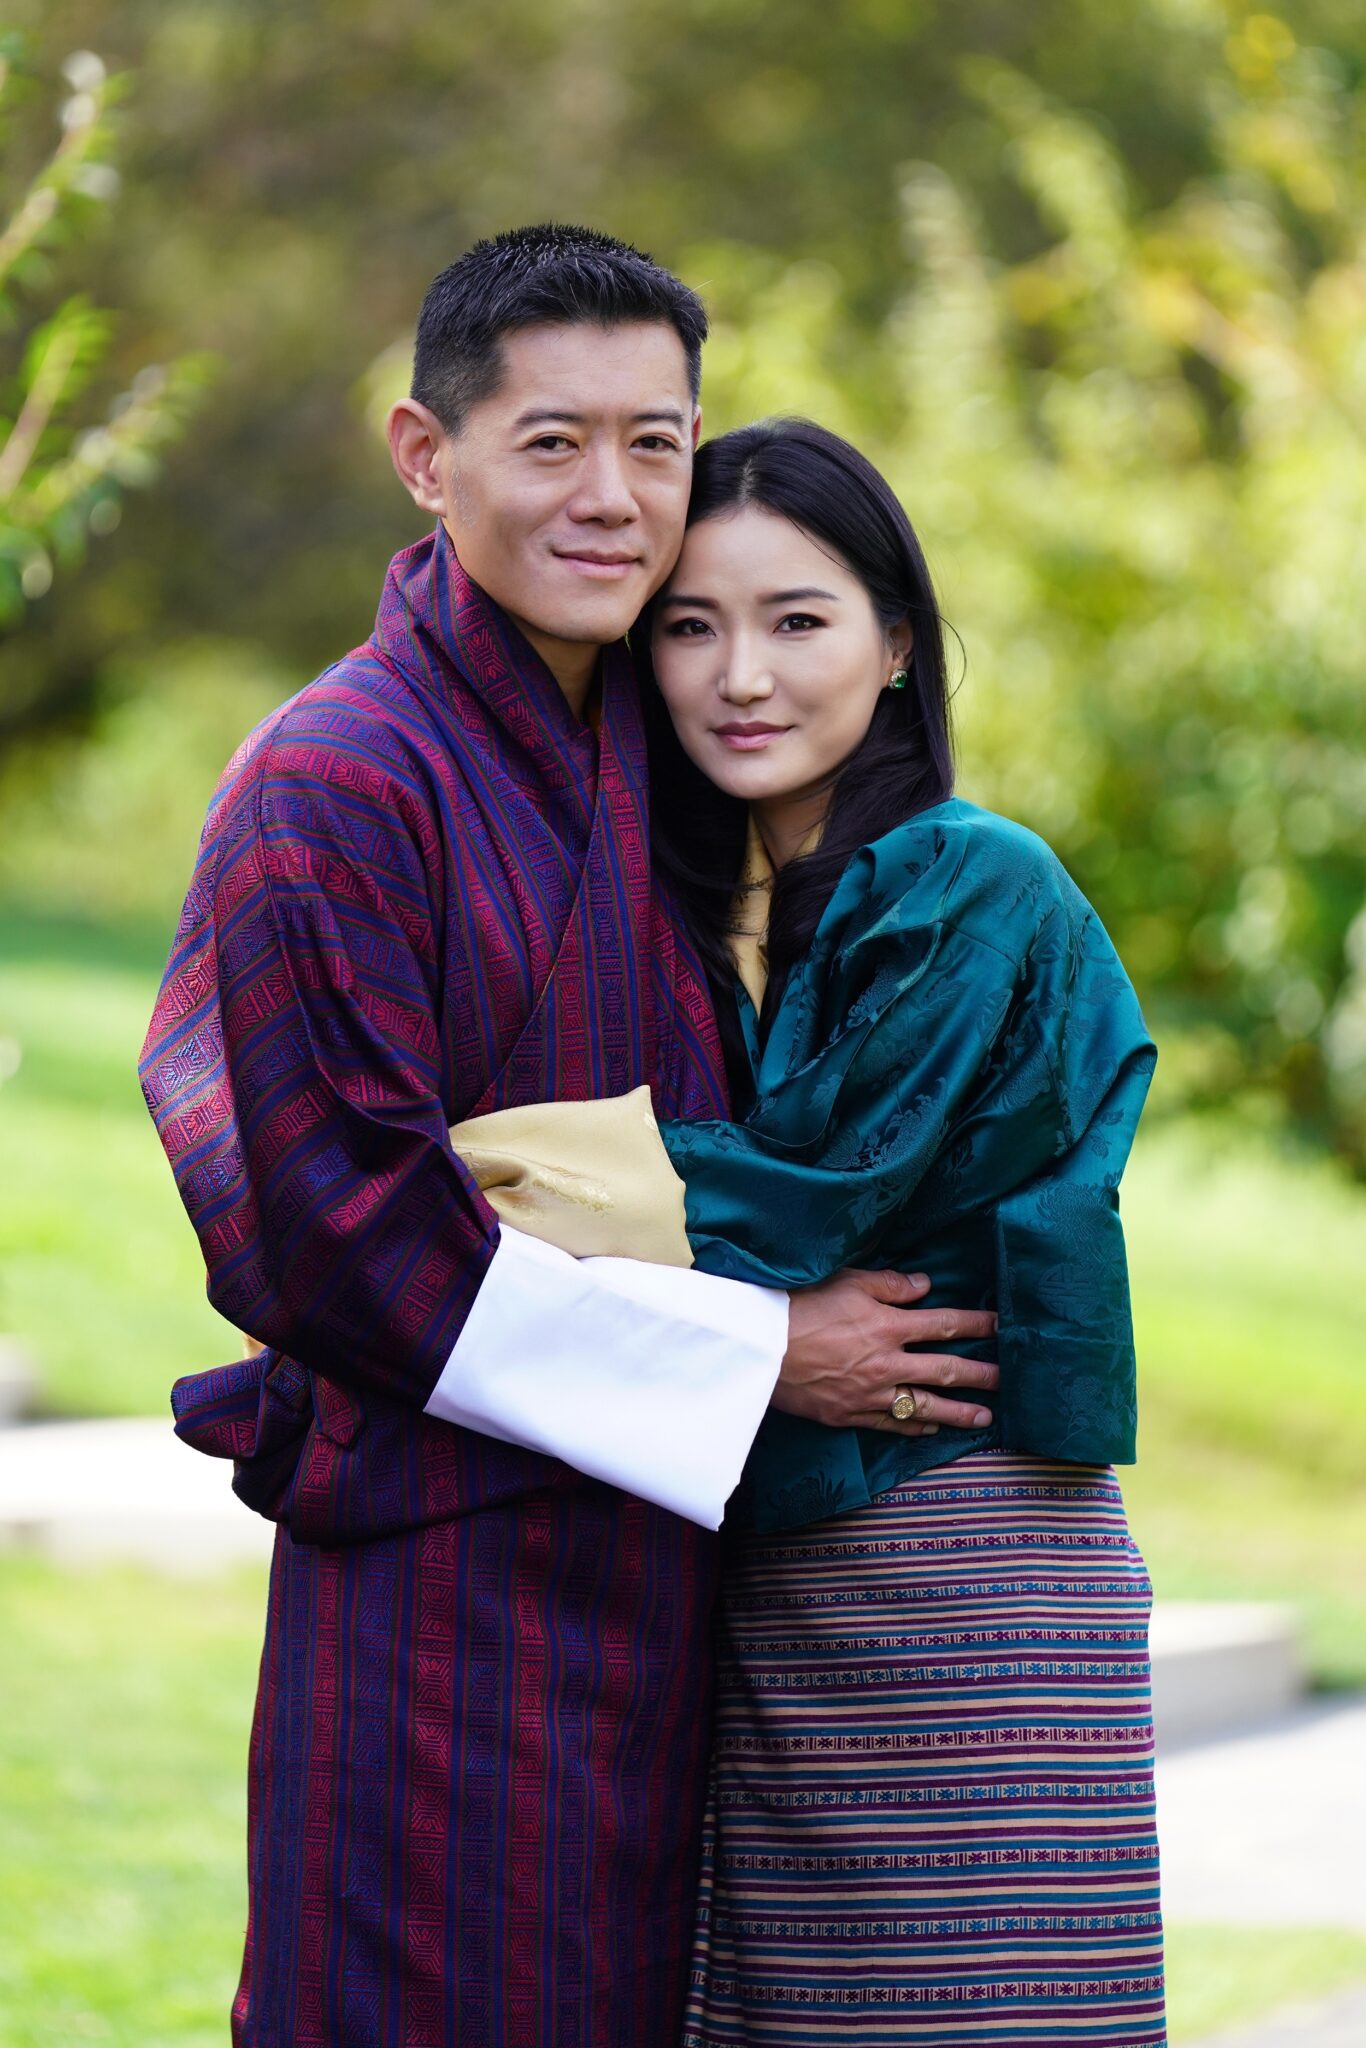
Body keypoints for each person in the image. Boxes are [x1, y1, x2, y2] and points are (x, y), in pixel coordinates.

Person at [139, 230, 998, 2048]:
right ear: (424, 454)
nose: (612, 497)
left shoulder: (658, 761)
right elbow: (347, 1236)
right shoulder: (332, 783)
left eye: (654, 443)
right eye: (552, 442)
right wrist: (765, 1351)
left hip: (663, 1597)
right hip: (437, 1610)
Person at [456, 419, 1165, 2043]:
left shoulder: (967, 882)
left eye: (796, 619)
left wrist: (473, 1162)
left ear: (896, 641)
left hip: (964, 1558)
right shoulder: (714, 916)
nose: (739, 677)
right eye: (689, 627)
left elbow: (812, 1186)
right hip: (779, 1571)